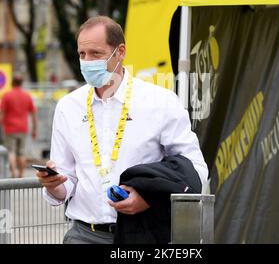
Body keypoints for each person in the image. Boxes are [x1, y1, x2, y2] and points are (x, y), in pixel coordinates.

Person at [37, 16, 208, 244]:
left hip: (142, 233)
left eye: (96, 54)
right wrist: (55, 185)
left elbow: (195, 169)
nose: (87, 62)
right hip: (83, 234)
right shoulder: (68, 107)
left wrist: (149, 197)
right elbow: (67, 183)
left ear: (120, 52)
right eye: (82, 54)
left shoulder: (160, 102)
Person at [0, 74, 37, 178]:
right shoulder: (26, 96)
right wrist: (34, 129)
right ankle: (21, 174)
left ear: (12, 82)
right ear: (21, 83)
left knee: (11, 151)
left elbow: (2, 113)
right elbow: (33, 113)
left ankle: (14, 172)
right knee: (21, 152)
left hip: (9, 128)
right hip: (23, 128)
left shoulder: (7, 95)